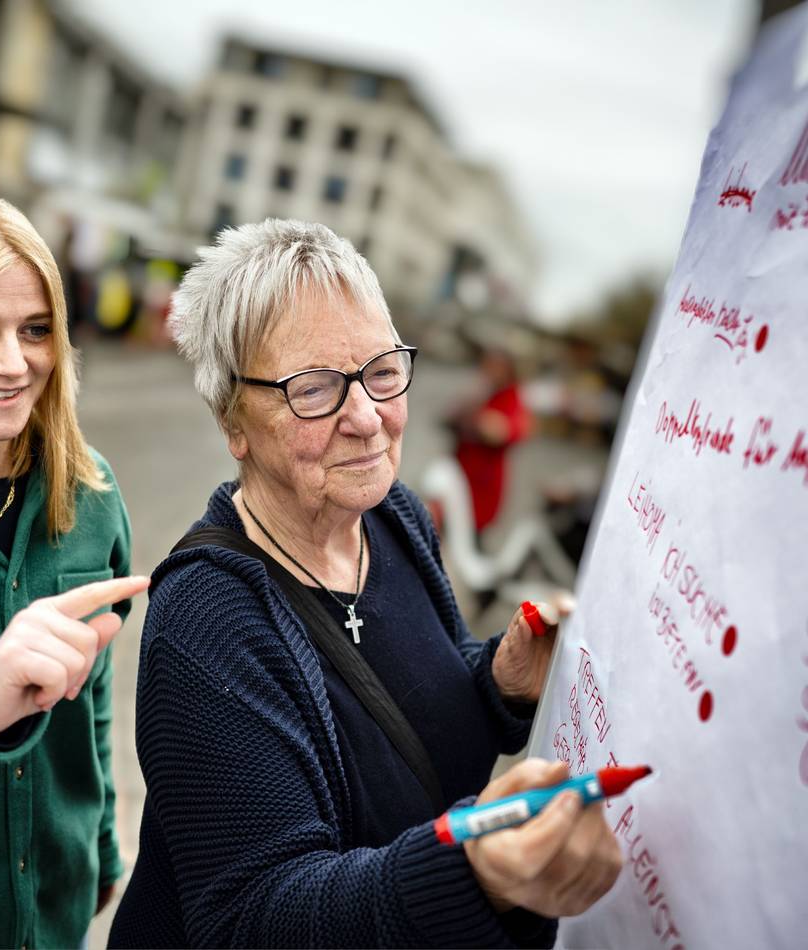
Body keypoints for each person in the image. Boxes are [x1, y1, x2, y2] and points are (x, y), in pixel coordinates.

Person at [109, 220, 621, 949]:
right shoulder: (206, 622)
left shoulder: (392, 517)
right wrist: (469, 870)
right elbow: (252, 920)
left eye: (381, 371)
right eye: (314, 388)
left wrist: (498, 684)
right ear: (233, 421)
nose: (366, 417)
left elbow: (416, 724)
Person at [0, 185, 149, 948]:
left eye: (36, 330)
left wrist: (101, 838)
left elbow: (94, 692)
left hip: (57, 918)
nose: (14, 363)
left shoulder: (93, 492)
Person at [449, 343, 532, 542]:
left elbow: (500, 431)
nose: (487, 371)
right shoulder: (486, 393)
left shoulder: (511, 397)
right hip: (462, 474)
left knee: (469, 538)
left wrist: (476, 418)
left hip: (481, 485)